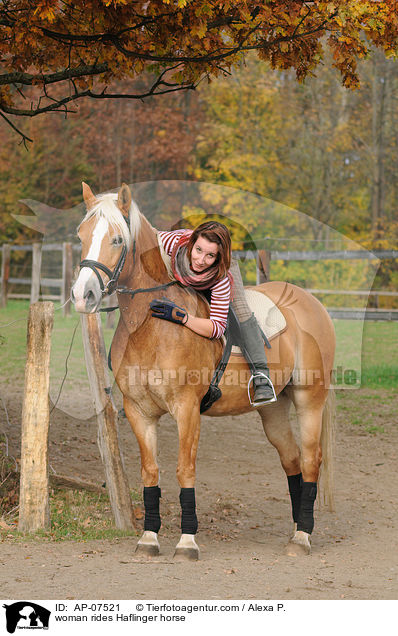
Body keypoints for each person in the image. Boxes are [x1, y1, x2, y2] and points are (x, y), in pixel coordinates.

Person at [151, 221, 276, 406]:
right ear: (191, 244)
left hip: (218, 276)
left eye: (210, 255)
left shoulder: (222, 277)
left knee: (241, 311)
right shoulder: (172, 242)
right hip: (180, 273)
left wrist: (183, 317)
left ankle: (261, 376)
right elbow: (148, 236)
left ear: (217, 257)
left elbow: (217, 328)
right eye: (198, 250)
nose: (201, 260)